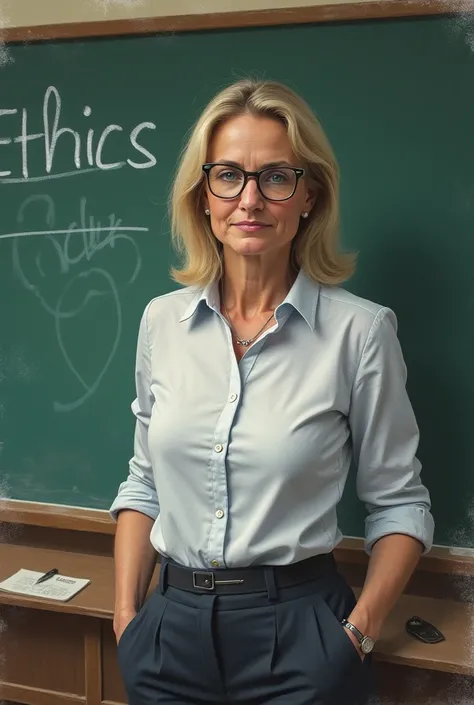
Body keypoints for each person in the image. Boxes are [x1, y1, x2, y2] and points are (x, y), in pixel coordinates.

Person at [109, 78, 434, 705]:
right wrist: (128, 619)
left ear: (309, 194)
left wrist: (356, 637)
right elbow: (144, 481)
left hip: (304, 638)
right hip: (166, 635)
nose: (249, 200)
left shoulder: (360, 333)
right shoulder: (161, 323)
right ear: (203, 196)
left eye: (276, 177)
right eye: (228, 176)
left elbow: (400, 503)